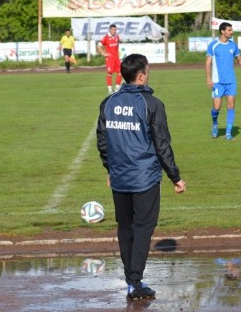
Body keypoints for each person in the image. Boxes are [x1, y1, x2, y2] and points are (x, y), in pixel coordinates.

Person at [96, 53, 186, 300]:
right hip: (144, 178)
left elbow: (102, 142)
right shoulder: (152, 104)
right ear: (141, 75)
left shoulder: (108, 102)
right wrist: (175, 177)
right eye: (148, 70)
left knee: (125, 228)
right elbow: (162, 144)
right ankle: (135, 281)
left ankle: (131, 279)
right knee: (143, 227)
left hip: (120, 177)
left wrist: (110, 170)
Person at [205, 22, 241, 140]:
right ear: (222, 31)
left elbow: (240, 60)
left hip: (231, 81)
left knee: (231, 105)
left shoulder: (233, 45)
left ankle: (228, 133)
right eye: (229, 30)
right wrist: (208, 78)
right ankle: (215, 124)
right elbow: (208, 63)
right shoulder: (213, 45)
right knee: (216, 107)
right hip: (217, 81)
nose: (231, 32)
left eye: (231, 30)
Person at [97, 24, 122, 94]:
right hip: (110, 58)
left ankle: (117, 89)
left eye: (115, 30)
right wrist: (103, 53)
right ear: (110, 30)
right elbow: (98, 45)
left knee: (120, 72)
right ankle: (110, 90)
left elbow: (118, 43)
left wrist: (118, 52)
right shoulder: (106, 37)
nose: (114, 31)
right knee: (109, 73)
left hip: (116, 57)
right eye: (113, 30)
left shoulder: (117, 36)